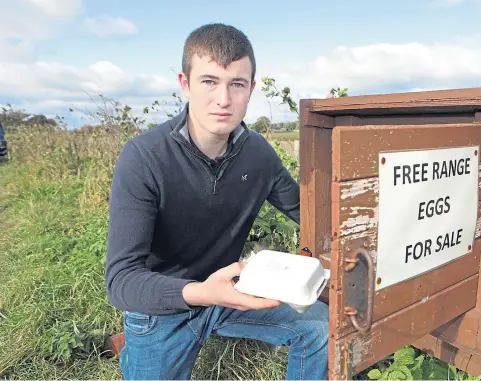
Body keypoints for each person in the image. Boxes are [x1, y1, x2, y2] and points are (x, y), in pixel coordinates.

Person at [105, 23, 329, 380]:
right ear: (185, 84)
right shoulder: (144, 158)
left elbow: (309, 212)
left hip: (230, 289)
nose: (223, 99)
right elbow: (122, 281)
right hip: (163, 308)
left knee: (321, 329)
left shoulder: (258, 154)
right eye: (209, 81)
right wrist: (201, 292)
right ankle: (134, 348)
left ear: (251, 89)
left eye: (236, 84)